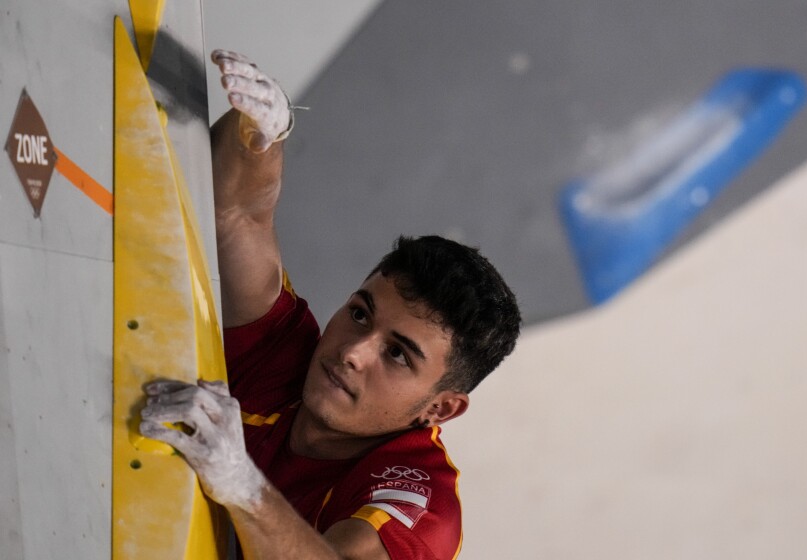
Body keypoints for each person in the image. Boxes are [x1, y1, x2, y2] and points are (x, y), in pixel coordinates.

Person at [139, 49, 521, 560]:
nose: (353, 351)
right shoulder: (285, 352)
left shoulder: (420, 499)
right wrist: (264, 133)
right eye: (361, 314)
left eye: (398, 354)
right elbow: (238, 215)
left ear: (440, 407)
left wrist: (239, 483)